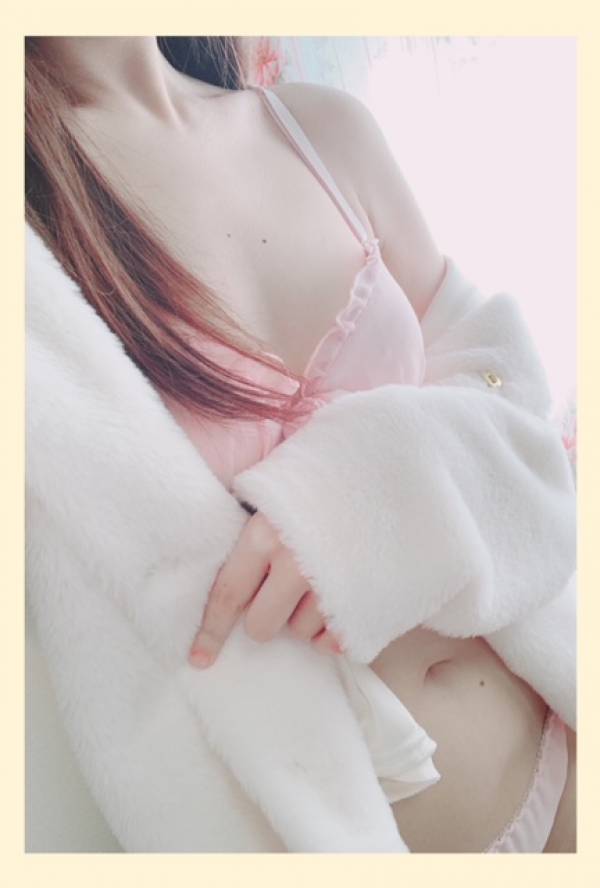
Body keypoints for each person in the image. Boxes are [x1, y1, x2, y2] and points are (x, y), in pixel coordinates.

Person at [25, 36, 576, 852]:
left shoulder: (319, 128)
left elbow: (509, 391)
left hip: (558, 721)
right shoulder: (32, 247)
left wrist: (378, 482)